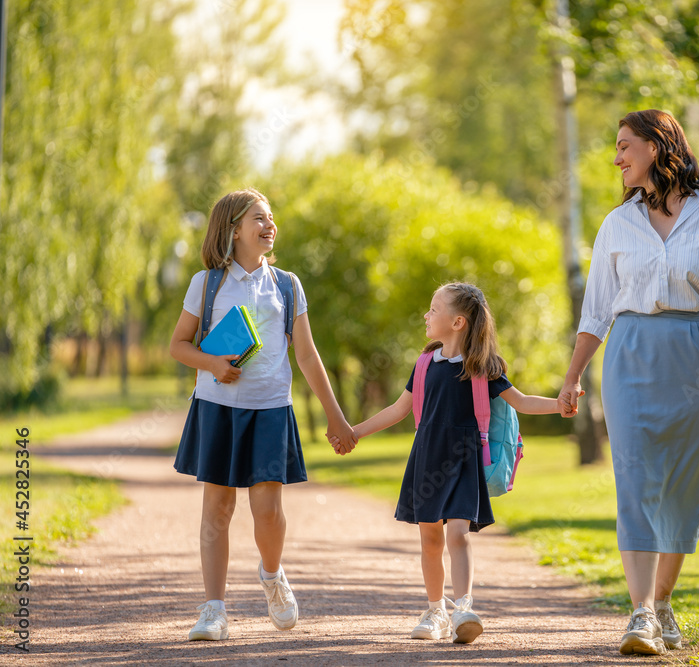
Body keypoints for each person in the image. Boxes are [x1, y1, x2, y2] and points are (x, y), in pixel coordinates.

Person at [558, 110, 699, 656]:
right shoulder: (618, 225)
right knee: (636, 481)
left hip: (694, 353)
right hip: (631, 355)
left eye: (624, 147)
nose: (616, 158)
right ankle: (640, 614)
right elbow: (596, 312)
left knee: (688, 485)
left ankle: (662, 601)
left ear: (656, 146)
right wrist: (573, 377)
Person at [169, 187, 357, 641]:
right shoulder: (206, 282)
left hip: (271, 410)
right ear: (234, 229)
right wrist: (213, 364)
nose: (269, 224)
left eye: (271, 217)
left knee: (268, 511)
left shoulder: (287, 285)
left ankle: (272, 577)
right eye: (259, 217)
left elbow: (308, 357)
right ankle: (214, 610)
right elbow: (178, 346)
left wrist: (336, 417)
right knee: (218, 507)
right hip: (217, 409)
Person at [332, 282, 566, 644]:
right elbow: (398, 410)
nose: (427, 315)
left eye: (433, 309)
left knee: (457, 533)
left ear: (457, 322)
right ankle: (435, 610)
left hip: (463, 462)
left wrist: (559, 403)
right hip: (427, 458)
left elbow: (521, 401)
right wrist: (353, 432)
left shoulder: (483, 367)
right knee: (429, 539)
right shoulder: (426, 363)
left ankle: (464, 609)